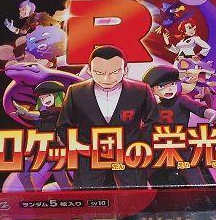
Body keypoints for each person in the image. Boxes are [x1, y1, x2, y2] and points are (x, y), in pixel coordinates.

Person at [55, 45, 157, 188]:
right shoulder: (75, 92)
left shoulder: (141, 90)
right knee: (87, 197)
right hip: (89, 157)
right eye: (99, 72)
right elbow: (63, 125)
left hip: (130, 156)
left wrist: (139, 145)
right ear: (89, 70)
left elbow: (153, 121)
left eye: (115, 72)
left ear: (125, 70)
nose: (107, 78)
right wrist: (80, 147)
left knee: (133, 196)